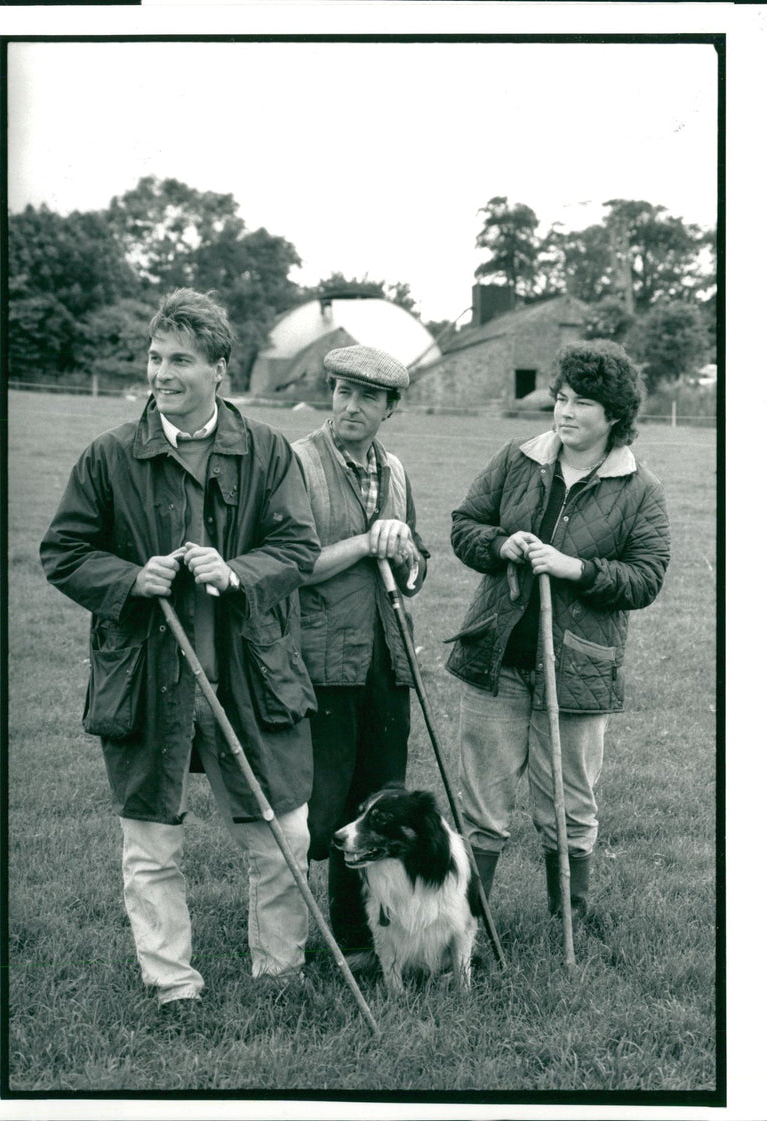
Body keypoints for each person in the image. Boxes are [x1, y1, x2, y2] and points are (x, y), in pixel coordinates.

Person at [40, 288, 320, 1020]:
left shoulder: (267, 450)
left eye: (182, 360)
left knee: (283, 833)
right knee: (151, 841)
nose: (162, 372)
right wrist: (131, 577)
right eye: (157, 357)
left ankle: (280, 971)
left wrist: (238, 571)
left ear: (220, 370)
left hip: (249, 677)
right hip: (146, 679)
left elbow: (298, 547)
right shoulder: (109, 455)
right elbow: (63, 551)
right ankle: (172, 981)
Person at [446, 339, 670, 922]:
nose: (566, 412)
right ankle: (472, 926)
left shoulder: (640, 489)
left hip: (577, 672)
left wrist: (578, 569)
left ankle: (568, 915)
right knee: (483, 806)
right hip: (494, 659)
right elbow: (465, 525)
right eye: (561, 399)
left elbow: (646, 578)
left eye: (583, 404)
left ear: (615, 416)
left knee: (569, 805)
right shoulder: (517, 458)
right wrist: (501, 543)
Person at [292, 345, 430, 966]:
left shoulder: (396, 470)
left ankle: (357, 940)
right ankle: (289, 940)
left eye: (367, 397)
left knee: (377, 805)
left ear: (390, 407)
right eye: (342, 391)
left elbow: (416, 567)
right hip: (321, 659)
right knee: (319, 809)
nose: (351, 406)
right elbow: (290, 566)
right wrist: (365, 542)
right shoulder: (297, 463)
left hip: (387, 658)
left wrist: (405, 553)